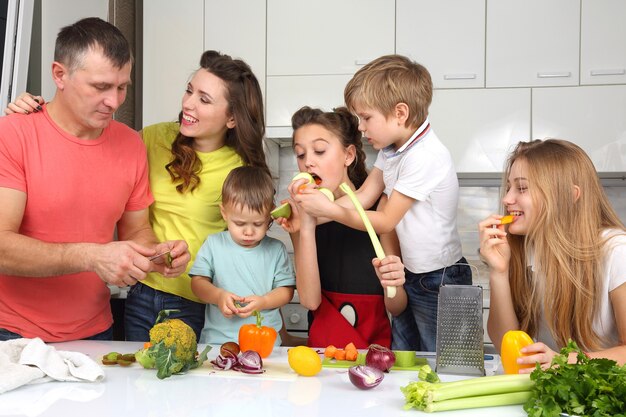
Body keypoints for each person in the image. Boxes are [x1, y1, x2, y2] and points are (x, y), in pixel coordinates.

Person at [7, 51, 270, 342]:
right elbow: (90, 143)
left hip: (194, 299)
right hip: (142, 289)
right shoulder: (151, 139)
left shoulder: (240, 170)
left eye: (204, 100)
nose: (188, 103)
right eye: (189, 90)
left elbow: (249, 242)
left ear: (232, 118)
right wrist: (37, 111)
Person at [0, 17, 189, 342]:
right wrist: (92, 255)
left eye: (122, 87)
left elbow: (137, 231)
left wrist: (156, 255)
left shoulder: (131, 145)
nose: (114, 102)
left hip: (96, 333)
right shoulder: (13, 135)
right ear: (60, 74)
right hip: (11, 334)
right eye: (100, 87)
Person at [290, 55, 471, 352]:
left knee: (442, 363)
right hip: (411, 273)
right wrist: (307, 217)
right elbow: (363, 198)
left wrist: (328, 210)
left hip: (440, 277)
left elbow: (385, 220)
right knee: (406, 360)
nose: (361, 127)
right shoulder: (392, 149)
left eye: (366, 117)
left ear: (400, 113)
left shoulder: (425, 156)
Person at [479, 139, 626, 369]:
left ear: (569, 195)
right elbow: (507, 346)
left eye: (522, 188)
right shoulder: (526, 249)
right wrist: (499, 272)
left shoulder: (617, 251)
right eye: (509, 187)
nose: (507, 199)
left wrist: (564, 362)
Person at [277, 106, 406, 349]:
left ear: (348, 155)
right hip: (323, 353)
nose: (308, 163)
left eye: (319, 151)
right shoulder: (300, 217)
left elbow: (397, 306)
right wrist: (305, 224)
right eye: (300, 154)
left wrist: (394, 283)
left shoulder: (380, 208)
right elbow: (310, 301)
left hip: (375, 351)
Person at [189, 166, 295, 345]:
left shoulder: (276, 249)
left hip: (266, 344)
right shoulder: (214, 244)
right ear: (224, 213)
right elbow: (197, 284)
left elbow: (286, 291)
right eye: (239, 223)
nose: (248, 231)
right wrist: (218, 296)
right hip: (217, 342)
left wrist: (264, 301)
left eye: (258, 223)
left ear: (270, 215)